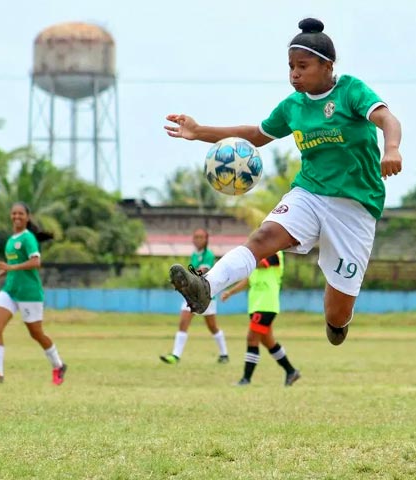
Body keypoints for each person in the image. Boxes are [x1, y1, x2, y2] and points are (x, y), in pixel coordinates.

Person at [165, 18, 402, 346]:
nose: (294, 73)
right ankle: (206, 288)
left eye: (303, 66)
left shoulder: (351, 91)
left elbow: (387, 118)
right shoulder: (293, 107)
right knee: (264, 236)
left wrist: (391, 149)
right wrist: (198, 131)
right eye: (291, 66)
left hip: (355, 207)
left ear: (327, 65)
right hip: (310, 193)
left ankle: (338, 323)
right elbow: (256, 135)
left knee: (337, 314)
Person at [0, 202, 67, 385]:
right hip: (10, 290)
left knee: (36, 333)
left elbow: (35, 262)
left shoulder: (28, 239)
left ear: (27, 217)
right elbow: (14, 264)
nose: (17, 217)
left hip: (29, 293)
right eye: (14, 213)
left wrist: (11, 267)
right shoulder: (11, 240)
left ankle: (58, 365)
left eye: (20, 214)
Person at [221, 251, 300, 386]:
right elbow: (247, 280)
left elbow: (261, 264)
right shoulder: (256, 258)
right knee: (268, 341)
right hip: (256, 306)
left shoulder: (275, 253)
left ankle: (246, 379)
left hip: (266, 306)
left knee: (252, 338)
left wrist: (241, 262)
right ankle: (291, 371)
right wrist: (230, 292)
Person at [160, 228, 229, 364]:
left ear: (206, 239)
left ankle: (224, 354)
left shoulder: (208, 254)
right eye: (196, 237)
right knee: (183, 322)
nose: (198, 239)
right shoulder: (193, 255)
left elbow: (203, 270)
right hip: (191, 295)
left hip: (206, 295)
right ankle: (175, 356)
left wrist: (187, 276)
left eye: (201, 237)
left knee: (212, 327)